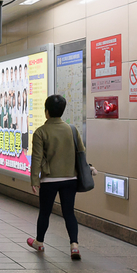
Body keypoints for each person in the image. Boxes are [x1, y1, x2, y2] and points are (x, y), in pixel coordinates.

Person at [28, 94, 96, 260]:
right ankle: (74, 246)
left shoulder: (40, 132)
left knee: (44, 212)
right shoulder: (71, 129)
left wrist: (34, 180)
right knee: (69, 213)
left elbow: (36, 158)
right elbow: (81, 151)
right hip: (70, 179)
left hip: (49, 180)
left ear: (46, 112)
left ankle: (39, 242)